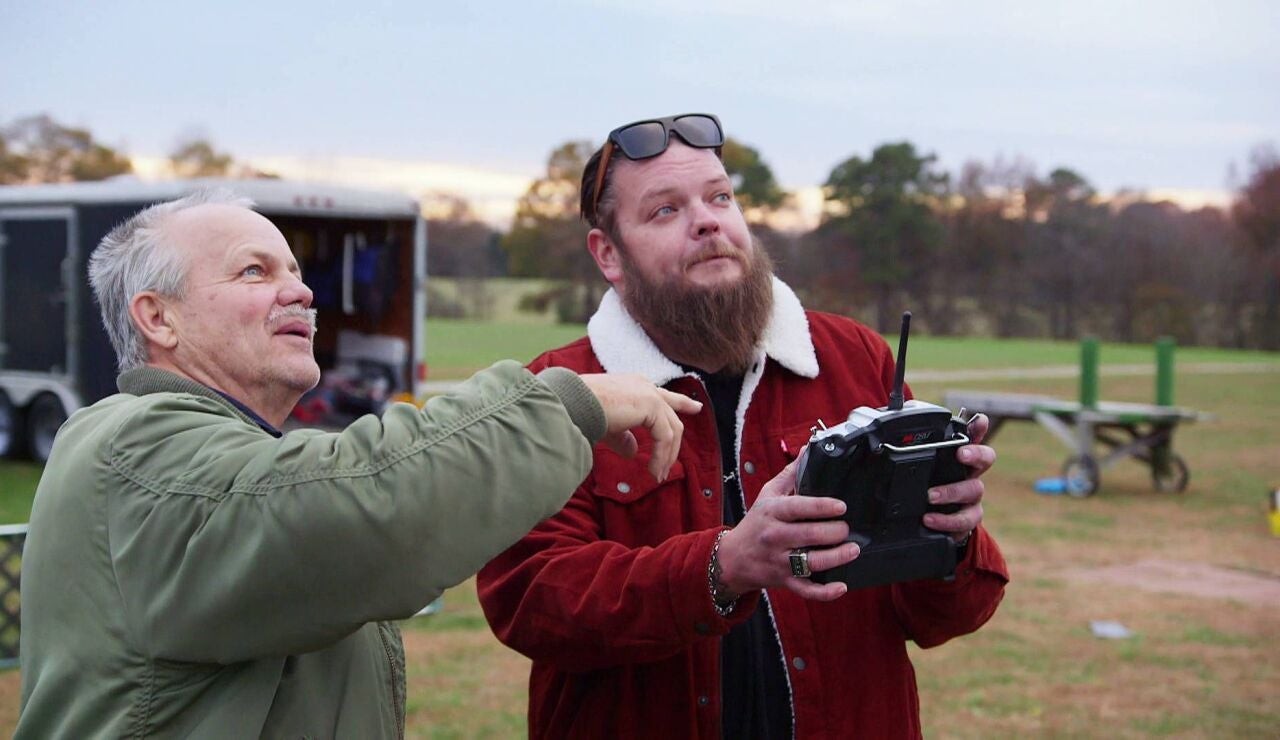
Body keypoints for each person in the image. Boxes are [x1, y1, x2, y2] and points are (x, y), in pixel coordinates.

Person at [16, 189, 700, 738]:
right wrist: (563, 404)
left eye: (296, 272)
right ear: (158, 320)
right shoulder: (143, 449)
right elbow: (365, 507)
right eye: (255, 270)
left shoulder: (219, 450)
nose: (301, 293)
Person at [477, 113, 1010, 739]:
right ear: (609, 255)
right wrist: (723, 564)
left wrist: (948, 541)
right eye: (665, 211)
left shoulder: (854, 359)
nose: (708, 220)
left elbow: (946, 617)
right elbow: (533, 602)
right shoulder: (563, 392)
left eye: (719, 196)